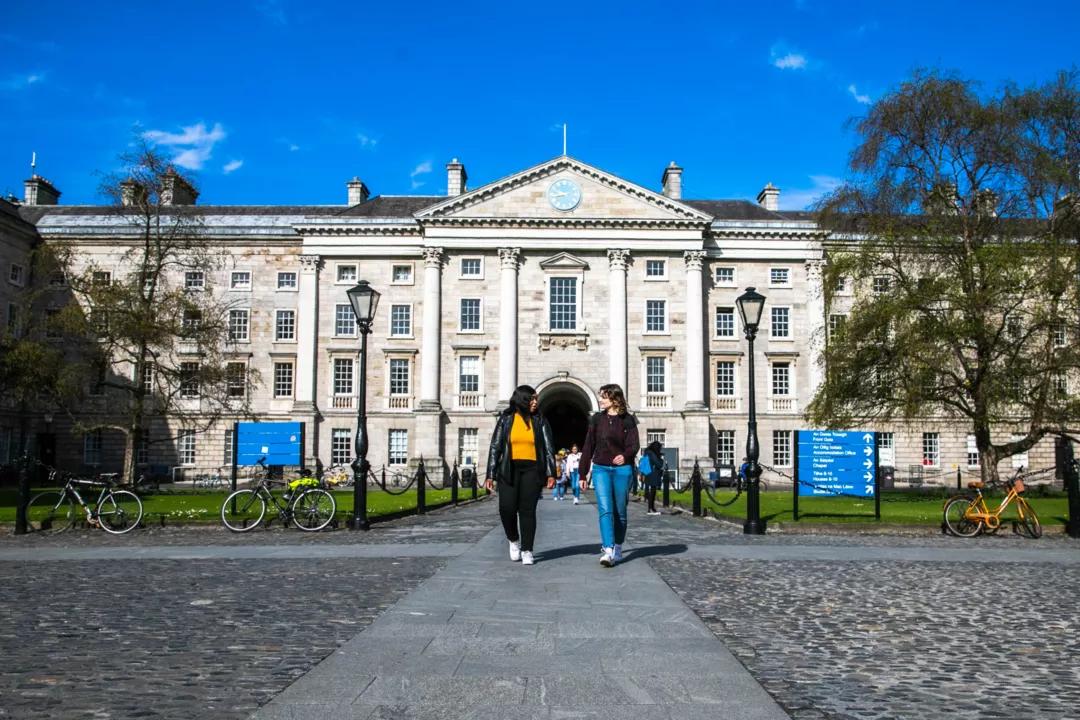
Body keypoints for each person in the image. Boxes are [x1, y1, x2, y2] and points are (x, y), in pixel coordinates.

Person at [484, 385, 556, 566]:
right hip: (509, 469)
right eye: (531, 399)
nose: (535, 402)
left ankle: (527, 550)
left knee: (527, 511)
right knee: (506, 509)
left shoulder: (540, 420)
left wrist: (551, 473)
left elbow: (548, 449)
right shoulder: (506, 419)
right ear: (522, 400)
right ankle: (513, 539)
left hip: (532, 470)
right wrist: (490, 474)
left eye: (536, 399)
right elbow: (496, 447)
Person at [580, 383, 640, 567]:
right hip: (601, 468)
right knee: (605, 509)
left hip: (622, 470)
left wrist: (626, 455)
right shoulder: (597, 419)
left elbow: (634, 445)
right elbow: (588, 445)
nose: (600, 400)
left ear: (614, 399)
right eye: (600, 396)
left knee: (619, 511)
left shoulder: (628, 420)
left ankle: (618, 545)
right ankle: (608, 549)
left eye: (604, 397)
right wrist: (583, 473)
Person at [641, 440, 665, 515]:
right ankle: (650, 508)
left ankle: (651, 508)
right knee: (653, 491)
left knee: (652, 491)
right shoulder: (652, 454)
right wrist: (661, 459)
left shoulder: (647, 452)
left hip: (648, 473)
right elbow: (658, 464)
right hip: (653, 473)